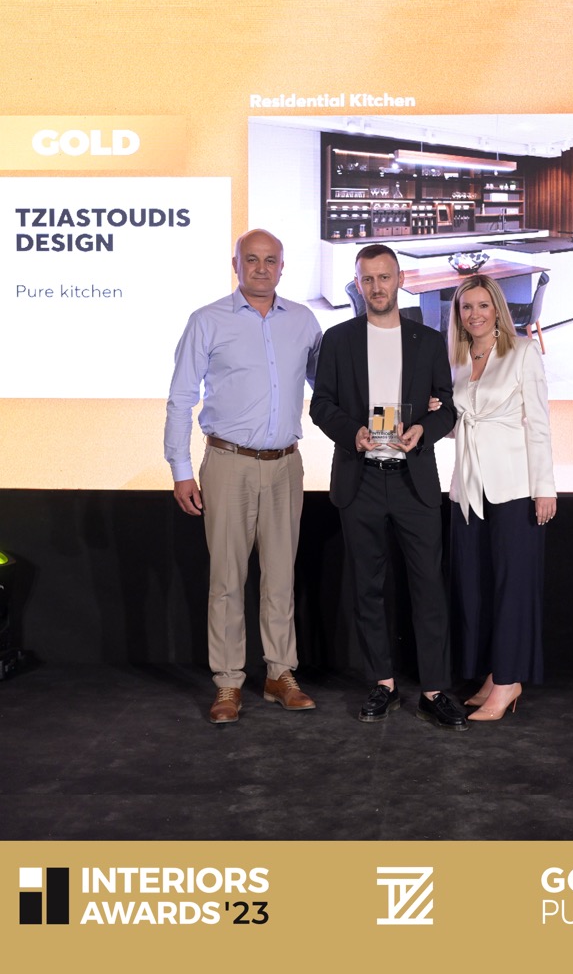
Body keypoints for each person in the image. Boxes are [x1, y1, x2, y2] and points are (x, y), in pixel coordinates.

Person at [165, 229, 322, 724]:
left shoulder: (303, 321)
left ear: (282, 267)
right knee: (227, 579)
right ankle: (229, 681)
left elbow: (330, 384)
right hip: (227, 463)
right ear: (235, 265)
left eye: (270, 260)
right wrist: (181, 470)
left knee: (281, 577)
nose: (261, 268)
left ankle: (279, 674)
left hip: (286, 465)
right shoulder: (207, 320)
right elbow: (181, 398)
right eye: (251, 259)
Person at [310, 244, 468, 731]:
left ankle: (435, 690)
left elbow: (448, 407)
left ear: (400, 279)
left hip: (412, 480)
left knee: (428, 587)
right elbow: (321, 405)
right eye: (368, 279)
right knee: (368, 587)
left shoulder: (428, 340)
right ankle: (383, 684)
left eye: (384, 277)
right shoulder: (338, 339)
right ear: (358, 284)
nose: (376, 287)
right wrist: (351, 432)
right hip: (359, 480)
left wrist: (424, 429)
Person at [447, 274, 557, 722]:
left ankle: (510, 681)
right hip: (468, 488)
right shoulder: (457, 359)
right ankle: (496, 673)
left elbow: (539, 424)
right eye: (466, 307)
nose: (474, 314)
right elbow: (463, 421)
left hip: (514, 487)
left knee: (512, 586)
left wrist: (544, 487)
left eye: (482, 305)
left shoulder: (523, 352)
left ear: (497, 309)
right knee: (478, 585)